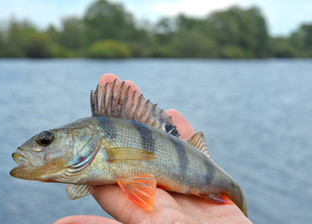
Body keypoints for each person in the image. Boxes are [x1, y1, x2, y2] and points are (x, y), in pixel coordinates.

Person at [54, 74, 252, 224]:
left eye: (45, 141)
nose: (40, 146)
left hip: (203, 181)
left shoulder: (96, 147)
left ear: (82, 137)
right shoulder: (87, 165)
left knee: (234, 191)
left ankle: (237, 198)